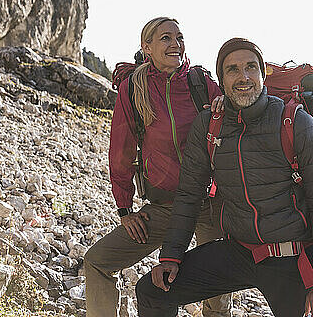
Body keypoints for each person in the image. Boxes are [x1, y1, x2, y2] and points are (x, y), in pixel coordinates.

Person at [135, 38, 313, 317]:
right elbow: (189, 195)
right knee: (152, 291)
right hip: (238, 251)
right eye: (232, 69)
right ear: (221, 80)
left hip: (289, 257)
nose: (243, 77)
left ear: (262, 74)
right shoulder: (210, 125)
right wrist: (171, 256)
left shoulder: (296, 122)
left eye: (250, 67)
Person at [84, 18, 231, 317]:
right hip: (165, 206)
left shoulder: (201, 83)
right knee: (97, 261)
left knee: (217, 296)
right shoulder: (133, 89)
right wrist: (125, 210)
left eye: (180, 37)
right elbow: (121, 152)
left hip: (210, 203)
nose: (176, 44)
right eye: (166, 38)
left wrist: (223, 107)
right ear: (146, 47)